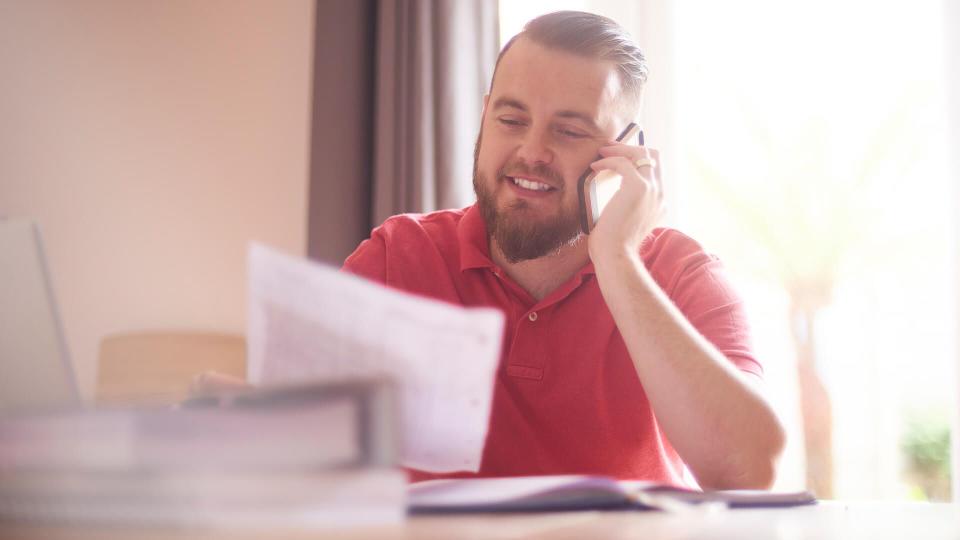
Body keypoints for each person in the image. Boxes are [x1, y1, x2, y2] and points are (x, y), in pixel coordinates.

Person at [341, 11, 785, 490]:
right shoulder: (397, 258)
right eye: (511, 119)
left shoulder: (682, 274)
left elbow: (750, 472)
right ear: (486, 116)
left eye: (570, 131)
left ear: (625, 154)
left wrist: (618, 262)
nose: (531, 151)